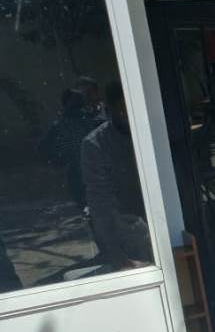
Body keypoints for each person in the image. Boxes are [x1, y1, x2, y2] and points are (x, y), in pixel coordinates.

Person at [81, 81, 151, 270]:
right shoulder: (95, 145)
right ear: (110, 109)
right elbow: (100, 204)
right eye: (122, 110)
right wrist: (118, 258)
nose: (129, 115)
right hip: (130, 237)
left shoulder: (153, 131)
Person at [39, 88, 103, 207]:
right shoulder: (60, 125)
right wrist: (57, 160)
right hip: (78, 169)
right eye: (75, 101)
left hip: (92, 167)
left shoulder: (90, 121)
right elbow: (43, 148)